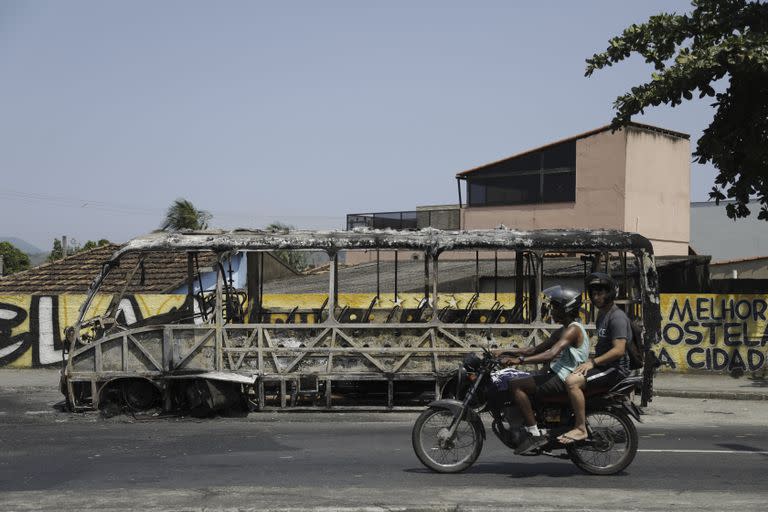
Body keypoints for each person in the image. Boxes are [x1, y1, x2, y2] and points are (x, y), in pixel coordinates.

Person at [495, 285, 589, 455]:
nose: (551, 311)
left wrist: (519, 361)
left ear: (565, 308)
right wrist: (505, 351)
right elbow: (533, 350)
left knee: (516, 385)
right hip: (556, 373)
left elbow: (550, 354)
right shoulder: (564, 330)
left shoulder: (573, 330)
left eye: (554, 307)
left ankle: (534, 433)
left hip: (564, 377)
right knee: (522, 378)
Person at [558, 272, 632, 445]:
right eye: (594, 294)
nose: (596, 297)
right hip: (604, 365)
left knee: (572, 382)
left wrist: (592, 362)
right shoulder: (602, 315)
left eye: (601, 293)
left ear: (610, 293)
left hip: (615, 369)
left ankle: (581, 428)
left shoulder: (617, 317)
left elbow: (619, 350)